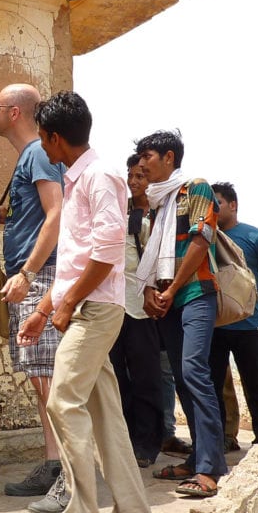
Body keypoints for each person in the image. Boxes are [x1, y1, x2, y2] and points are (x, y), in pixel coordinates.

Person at [19, 91, 152, 513]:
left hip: (95, 310)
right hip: (84, 305)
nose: (42, 145)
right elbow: (77, 259)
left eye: (42, 137)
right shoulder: (79, 179)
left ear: (55, 138)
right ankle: (133, 512)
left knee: (62, 402)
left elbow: (107, 252)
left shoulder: (99, 176)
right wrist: (43, 311)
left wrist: (65, 303)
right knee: (103, 410)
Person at [0, 83, 67, 513]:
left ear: (15, 113)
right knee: (41, 381)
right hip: (34, 277)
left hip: (40, 279)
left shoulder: (37, 152)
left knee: (50, 383)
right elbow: (40, 211)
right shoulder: (31, 156)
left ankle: (69, 478)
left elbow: (57, 213)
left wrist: (28, 272)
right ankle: (54, 465)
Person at [137, 130, 226, 498]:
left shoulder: (197, 188)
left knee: (194, 371)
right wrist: (148, 291)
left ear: (169, 157)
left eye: (148, 156)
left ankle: (210, 467)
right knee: (183, 376)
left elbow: (200, 240)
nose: (142, 163)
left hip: (194, 293)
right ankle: (196, 460)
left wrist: (172, 289)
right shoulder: (158, 201)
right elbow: (148, 252)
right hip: (168, 299)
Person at [209, 182, 258, 445]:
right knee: (212, 388)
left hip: (251, 327)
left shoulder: (256, 237)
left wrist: (254, 301)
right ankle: (218, 441)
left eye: (217, 202)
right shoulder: (205, 238)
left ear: (233, 205)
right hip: (215, 327)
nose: (212, 207)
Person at [108, 153, 165, 468]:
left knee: (147, 378)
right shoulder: (120, 210)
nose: (134, 182)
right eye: (131, 176)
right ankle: (127, 439)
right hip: (117, 303)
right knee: (118, 377)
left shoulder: (159, 214)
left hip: (143, 306)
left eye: (141, 176)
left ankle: (148, 442)